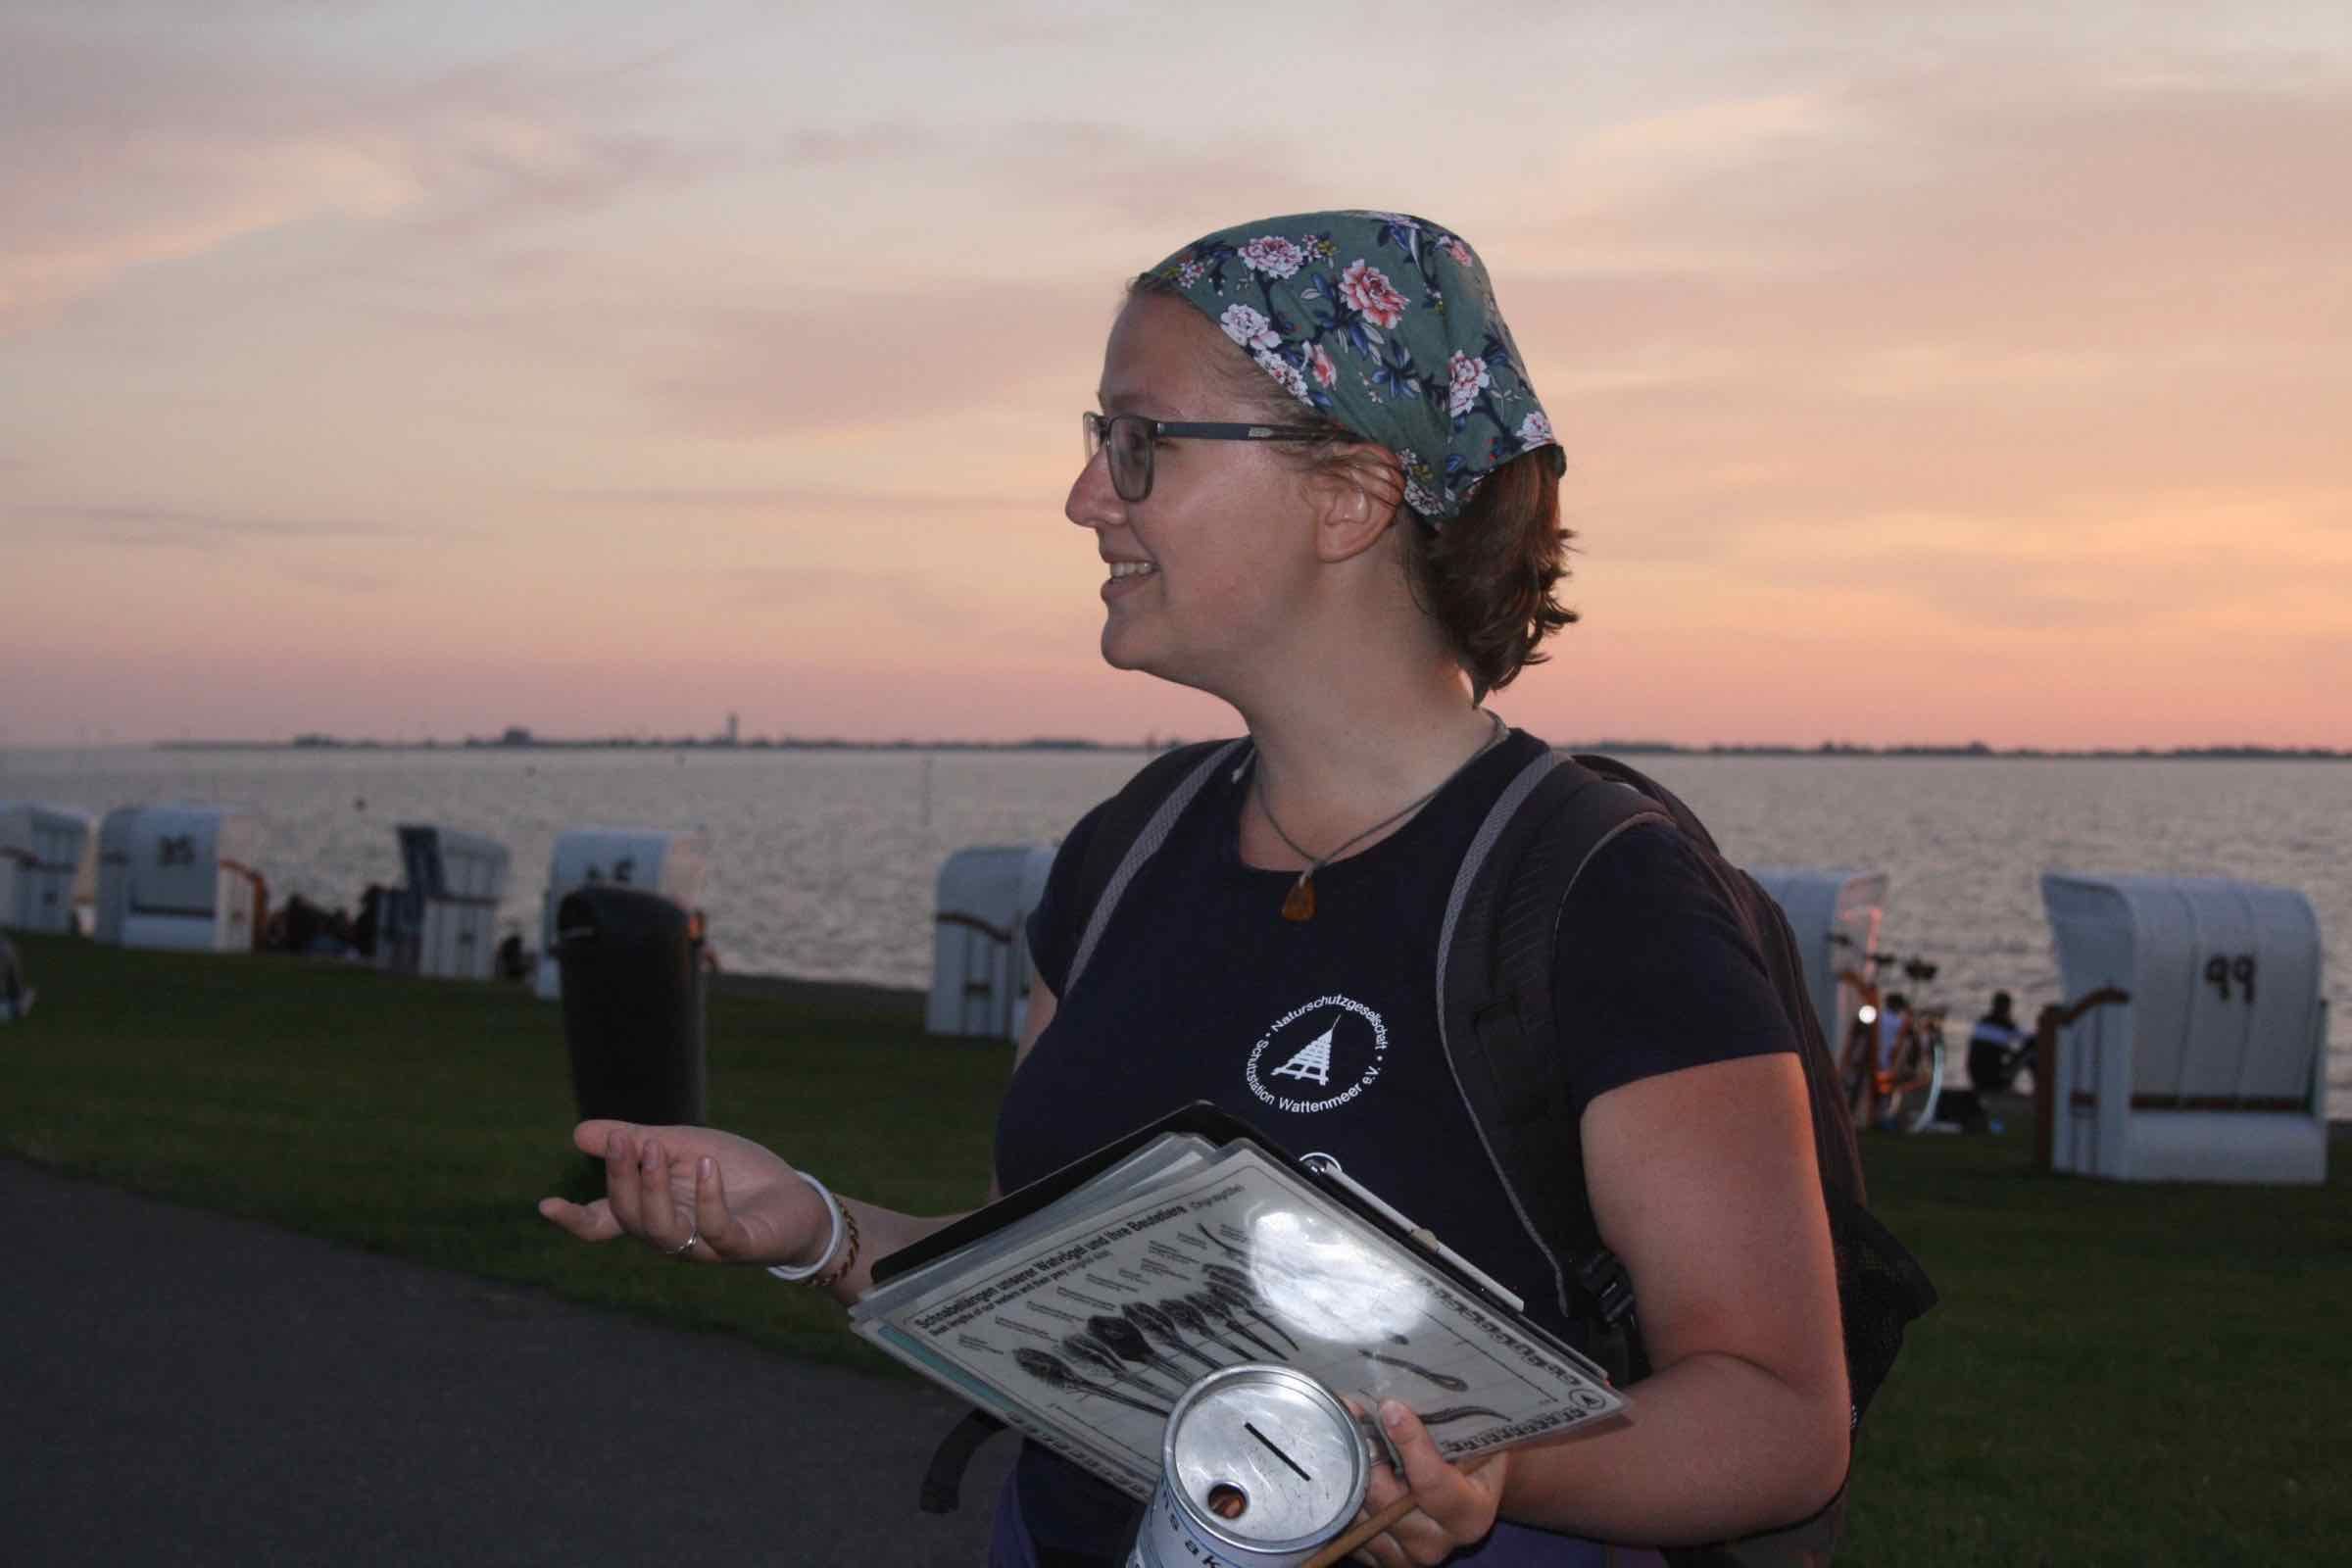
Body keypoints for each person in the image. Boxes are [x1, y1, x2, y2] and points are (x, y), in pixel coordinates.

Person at [539, 212, 1849, 1565]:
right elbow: (1061, 1292)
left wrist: (1484, 1473)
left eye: (1139, 440)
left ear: (1351, 493)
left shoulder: (1599, 895)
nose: (1087, 496)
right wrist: (811, 1229)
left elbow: (1777, 1417)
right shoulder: (1128, 853)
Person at [1967, 990, 2031, 1097]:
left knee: (2023, 1052)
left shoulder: (1983, 1022)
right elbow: (2022, 1041)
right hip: (1991, 1078)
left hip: (1976, 1078)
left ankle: (2006, 1086)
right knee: (2029, 1052)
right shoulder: (2003, 1025)